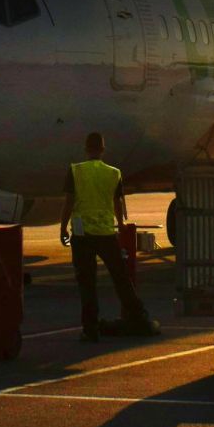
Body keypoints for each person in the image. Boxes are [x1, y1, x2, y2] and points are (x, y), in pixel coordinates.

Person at [60, 132, 157, 341]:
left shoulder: (75, 171)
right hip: (106, 233)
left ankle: (90, 329)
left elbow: (69, 202)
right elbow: (117, 203)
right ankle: (139, 318)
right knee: (121, 278)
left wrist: (62, 228)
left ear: (86, 149)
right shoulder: (114, 173)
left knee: (87, 284)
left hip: (82, 234)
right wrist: (121, 226)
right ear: (103, 150)